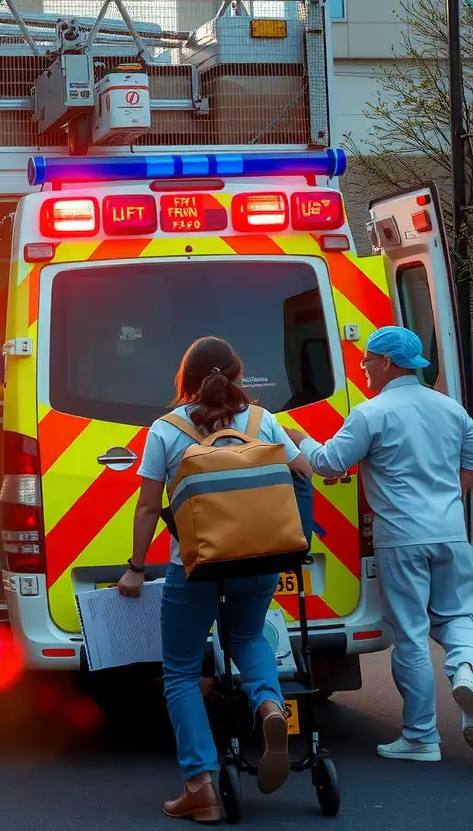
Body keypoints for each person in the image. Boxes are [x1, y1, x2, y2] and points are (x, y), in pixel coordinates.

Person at [118, 336, 312, 822]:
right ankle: (269, 706)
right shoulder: (261, 420)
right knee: (247, 635)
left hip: (198, 562)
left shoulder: (165, 430)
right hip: (261, 558)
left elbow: (147, 505)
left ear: (184, 378)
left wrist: (136, 567)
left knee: (181, 671)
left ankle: (200, 785)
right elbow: (303, 470)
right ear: (237, 374)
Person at [285, 325, 473, 760]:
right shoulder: (454, 410)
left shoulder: (371, 413)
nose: (363, 366)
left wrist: (299, 439)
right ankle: (464, 668)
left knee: (410, 633)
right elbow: (467, 473)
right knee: (458, 613)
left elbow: (327, 461)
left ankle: (421, 737)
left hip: (402, 538)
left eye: (368, 359)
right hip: (450, 531)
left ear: (387, 362)